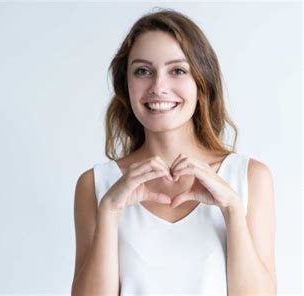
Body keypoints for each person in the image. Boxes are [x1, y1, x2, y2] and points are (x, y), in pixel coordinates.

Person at [71, 8, 277, 295]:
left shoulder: (249, 178)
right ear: (125, 85)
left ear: (201, 82)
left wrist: (231, 210)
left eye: (177, 70)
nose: (159, 87)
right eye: (143, 71)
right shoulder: (96, 185)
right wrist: (109, 212)